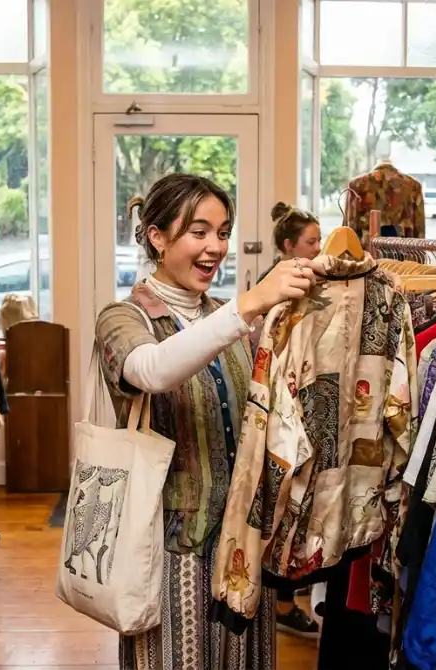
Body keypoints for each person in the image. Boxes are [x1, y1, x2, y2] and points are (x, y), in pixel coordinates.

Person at [95, 173, 319, 669]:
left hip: (241, 546)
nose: (214, 247)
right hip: (170, 552)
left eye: (222, 232)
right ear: (156, 236)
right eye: (198, 232)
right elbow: (151, 369)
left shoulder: (228, 317)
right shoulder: (124, 318)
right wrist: (250, 304)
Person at [257, 201, 322, 638]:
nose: (320, 248)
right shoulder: (278, 290)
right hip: (284, 406)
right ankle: (280, 603)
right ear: (288, 247)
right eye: (312, 242)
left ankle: (284, 598)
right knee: (283, 505)